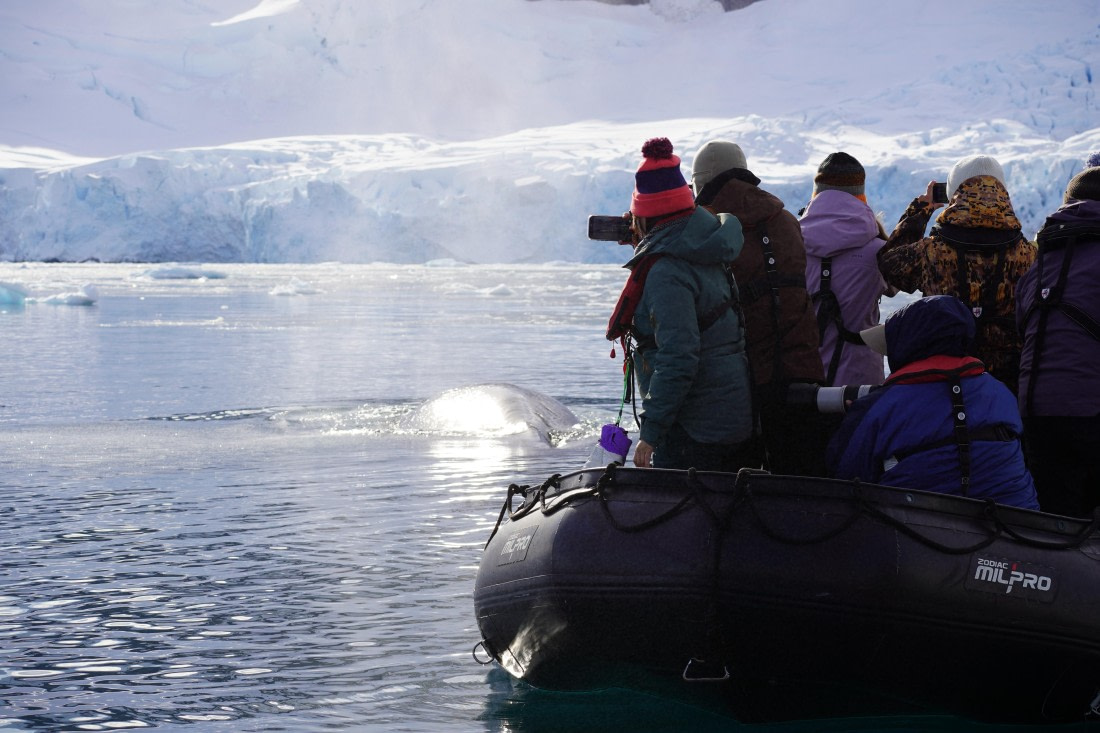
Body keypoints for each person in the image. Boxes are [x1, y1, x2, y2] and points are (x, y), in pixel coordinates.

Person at [605, 137, 754, 471]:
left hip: (695, 430)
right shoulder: (703, 244)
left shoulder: (666, 270)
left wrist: (652, 432)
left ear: (645, 216)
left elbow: (679, 356)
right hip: (730, 417)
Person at [690, 140, 829, 476]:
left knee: (738, 491)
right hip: (805, 373)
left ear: (702, 181)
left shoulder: (710, 229)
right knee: (802, 487)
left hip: (745, 385)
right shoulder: (785, 220)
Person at [828, 295, 1038, 509]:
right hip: (1016, 530)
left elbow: (843, 477)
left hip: (911, 533)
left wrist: (855, 421)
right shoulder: (1002, 393)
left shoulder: (877, 409)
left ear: (905, 349)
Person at [877, 154, 1036, 395]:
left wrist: (921, 210)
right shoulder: (1030, 255)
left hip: (944, 388)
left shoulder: (930, 252)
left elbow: (889, 266)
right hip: (1008, 392)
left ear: (954, 194)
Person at [1016, 166, 1100, 517]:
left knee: (1056, 519)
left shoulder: (1038, 266)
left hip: (1035, 413)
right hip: (1091, 412)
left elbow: (1023, 329)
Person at [800, 152, 891, 387]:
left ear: (816, 194)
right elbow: (899, 283)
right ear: (861, 196)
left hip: (806, 379)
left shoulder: (791, 246)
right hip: (862, 382)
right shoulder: (879, 250)